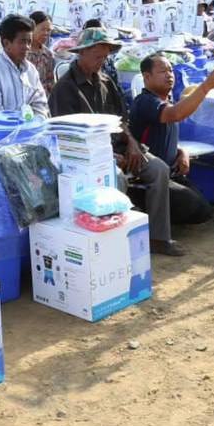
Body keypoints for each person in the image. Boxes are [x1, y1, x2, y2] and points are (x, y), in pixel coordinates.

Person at [49, 28, 186, 256]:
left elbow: (122, 119)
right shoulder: (64, 89)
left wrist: (132, 143)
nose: (102, 62)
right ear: (82, 53)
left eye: (104, 57)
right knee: (117, 178)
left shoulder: (106, 81)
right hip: (86, 155)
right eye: (97, 57)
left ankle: (157, 237)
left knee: (159, 169)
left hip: (118, 146)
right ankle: (117, 241)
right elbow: (67, 138)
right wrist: (108, 156)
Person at [128, 54, 214, 226]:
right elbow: (175, 114)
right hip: (148, 177)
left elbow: (168, 135)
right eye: (162, 71)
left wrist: (181, 151)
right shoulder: (145, 101)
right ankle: (140, 207)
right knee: (192, 205)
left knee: (203, 210)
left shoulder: (166, 101)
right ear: (147, 77)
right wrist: (206, 86)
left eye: (171, 70)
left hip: (171, 173)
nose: (169, 75)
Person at [0, 15, 49, 117]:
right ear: (6, 43)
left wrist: (38, 121)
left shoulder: (30, 70)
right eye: (22, 42)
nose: (28, 47)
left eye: (29, 42)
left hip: (30, 125)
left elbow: (40, 104)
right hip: (3, 126)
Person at [27, 11, 56, 93]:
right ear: (31, 28)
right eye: (42, 29)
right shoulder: (21, 52)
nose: (46, 33)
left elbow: (50, 82)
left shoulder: (48, 55)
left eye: (48, 30)